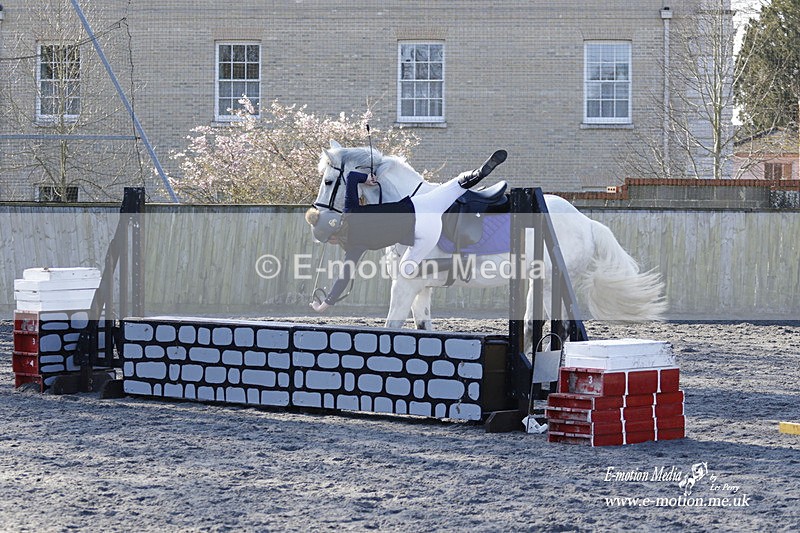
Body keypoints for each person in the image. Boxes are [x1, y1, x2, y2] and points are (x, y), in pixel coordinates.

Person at [307, 150, 507, 312]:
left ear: (333, 237)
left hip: (426, 233)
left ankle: (459, 262)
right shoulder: (351, 209)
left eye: (329, 240)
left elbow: (345, 276)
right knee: (454, 186)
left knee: (406, 272)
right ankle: (477, 173)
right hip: (421, 205)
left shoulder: (354, 247)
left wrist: (326, 303)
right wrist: (366, 179)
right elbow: (351, 177)